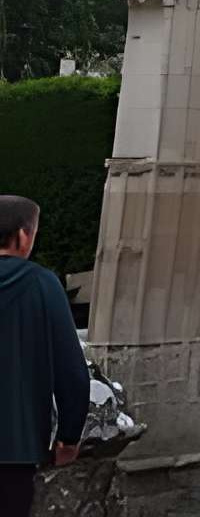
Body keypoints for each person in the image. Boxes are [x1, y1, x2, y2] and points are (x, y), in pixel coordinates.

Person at [0, 196, 90, 517]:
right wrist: (69, 437)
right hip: (16, 447)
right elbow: (72, 371)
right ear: (24, 236)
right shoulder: (42, 283)